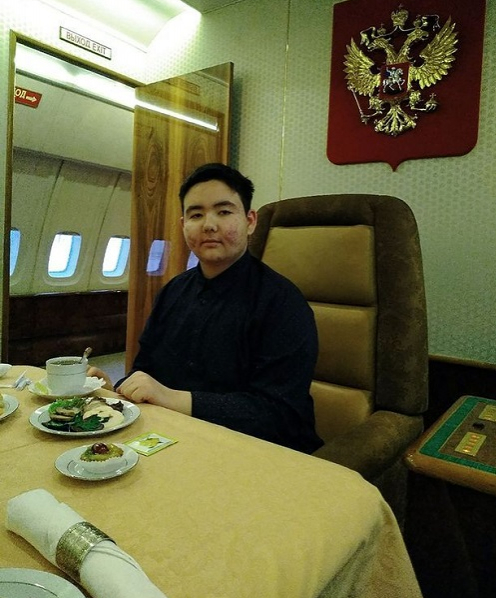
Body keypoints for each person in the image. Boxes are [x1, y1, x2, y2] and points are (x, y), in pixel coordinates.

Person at [89, 163, 323, 454]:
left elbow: (279, 414)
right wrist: (116, 390)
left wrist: (170, 397)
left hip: (261, 453)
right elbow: (147, 369)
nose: (209, 225)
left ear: (250, 221)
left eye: (224, 212)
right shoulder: (172, 292)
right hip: (173, 439)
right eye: (196, 215)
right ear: (183, 225)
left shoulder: (283, 303)